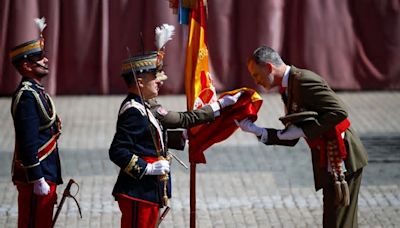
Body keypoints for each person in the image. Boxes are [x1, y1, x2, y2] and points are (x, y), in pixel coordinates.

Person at [109, 31, 241, 227]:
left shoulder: (145, 104)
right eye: (154, 77)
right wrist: (148, 168)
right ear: (140, 82)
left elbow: (148, 137)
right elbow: (117, 150)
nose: (160, 81)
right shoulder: (133, 111)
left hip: (148, 191)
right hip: (138, 191)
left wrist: (182, 137)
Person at [236, 46, 368, 228]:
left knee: (338, 223)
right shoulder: (288, 87)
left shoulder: (303, 81)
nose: (256, 81)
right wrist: (257, 130)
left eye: (256, 75)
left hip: (342, 155)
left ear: (268, 67)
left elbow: (339, 112)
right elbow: (291, 137)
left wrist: (304, 131)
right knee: (335, 222)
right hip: (328, 158)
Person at [9, 17, 63, 228]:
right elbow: (27, 140)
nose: (46, 60)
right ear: (26, 65)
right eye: (39, 57)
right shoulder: (26, 97)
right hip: (36, 175)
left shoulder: (37, 92)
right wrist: (36, 177)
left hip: (46, 172)